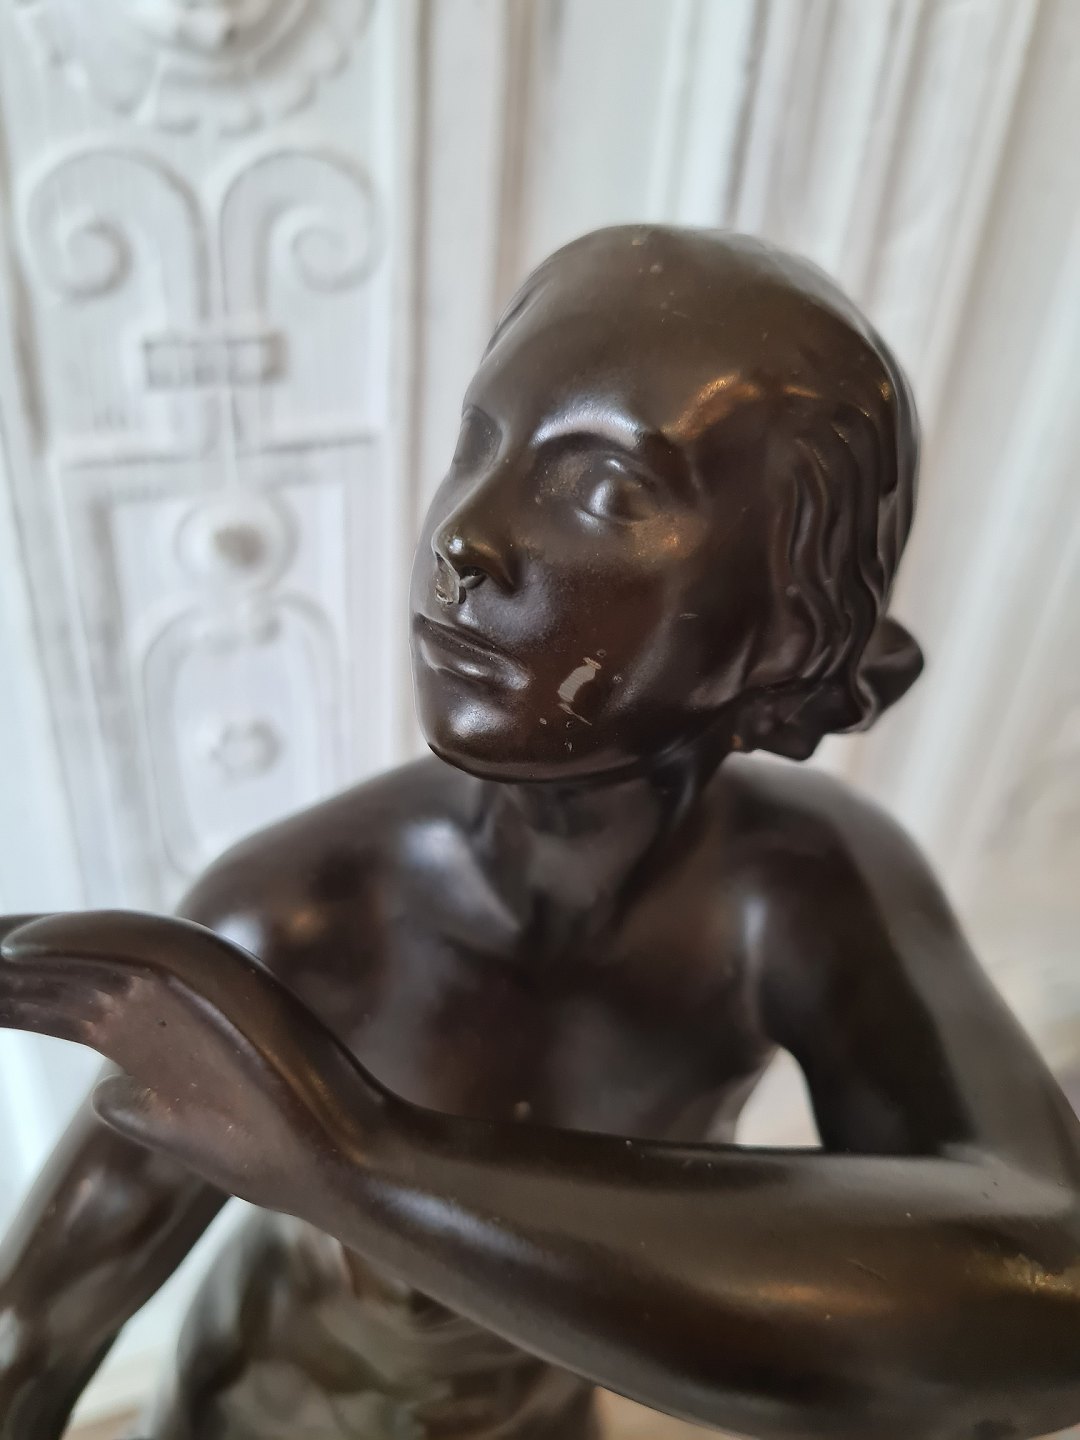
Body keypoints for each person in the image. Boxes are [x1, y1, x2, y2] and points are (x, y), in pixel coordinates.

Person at [1, 227, 1078, 1440]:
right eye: (480, 444)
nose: (465, 539)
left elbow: (1047, 1295)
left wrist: (360, 1162)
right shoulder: (298, 920)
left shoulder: (793, 894)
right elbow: (29, 1336)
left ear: (785, 628)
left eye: (609, 490)